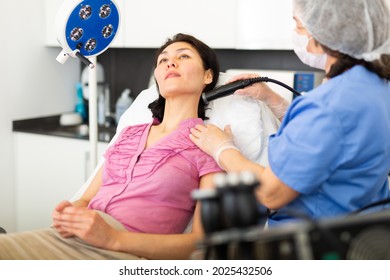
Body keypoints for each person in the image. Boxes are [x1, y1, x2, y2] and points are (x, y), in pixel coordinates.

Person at [0, 33, 224, 259]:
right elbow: (86, 200)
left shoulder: (209, 143)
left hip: (126, 253)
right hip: (76, 238)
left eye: (183, 56)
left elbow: (201, 243)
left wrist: (112, 238)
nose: (170, 63)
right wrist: (71, 213)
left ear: (208, 75)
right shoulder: (130, 134)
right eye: (163, 60)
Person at [190, 0, 390, 227]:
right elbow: (328, 140)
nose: (295, 33)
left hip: (321, 241)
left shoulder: (325, 107)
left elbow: (271, 193)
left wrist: (222, 149)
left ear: (324, 34)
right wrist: (272, 99)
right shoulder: (377, 85)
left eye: (299, 26)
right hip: (368, 230)